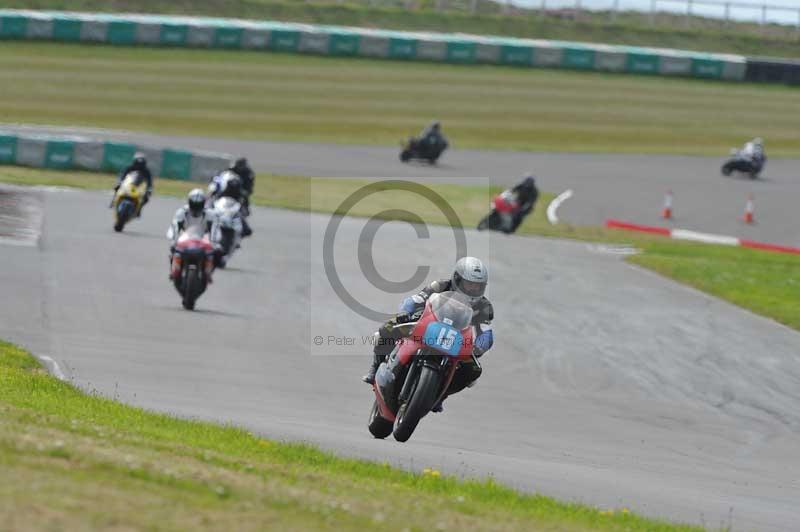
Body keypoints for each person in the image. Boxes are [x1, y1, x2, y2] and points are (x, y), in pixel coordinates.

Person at [363, 257, 494, 412]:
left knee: (473, 372)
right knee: (387, 329)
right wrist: (406, 312)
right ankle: (375, 367)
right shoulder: (440, 286)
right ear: (457, 279)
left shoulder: (485, 307)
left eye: (477, 286)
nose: (472, 289)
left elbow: (485, 333)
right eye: (469, 284)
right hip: (428, 325)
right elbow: (415, 299)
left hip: (455, 341)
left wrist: (478, 348)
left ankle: (440, 395)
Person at [168, 189, 215, 284]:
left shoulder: (210, 214)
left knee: (212, 254)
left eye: (198, 204)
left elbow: (215, 229)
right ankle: (174, 271)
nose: (196, 207)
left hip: (202, 239)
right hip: (185, 238)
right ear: (189, 202)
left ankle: (208, 273)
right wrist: (174, 240)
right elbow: (175, 226)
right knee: (174, 251)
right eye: (193, 204)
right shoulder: (182, 212)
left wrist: (214, 242)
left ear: (203, 204)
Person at [208, 170, 252, 237]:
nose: (233, 189)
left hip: (234, 212)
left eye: (235, 186)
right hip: (223, 210)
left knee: (244, 225)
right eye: (231, 186)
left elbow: (245, 208)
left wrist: (245, 210)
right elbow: (213, 201)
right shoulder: (221, 192)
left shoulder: (241, 194)